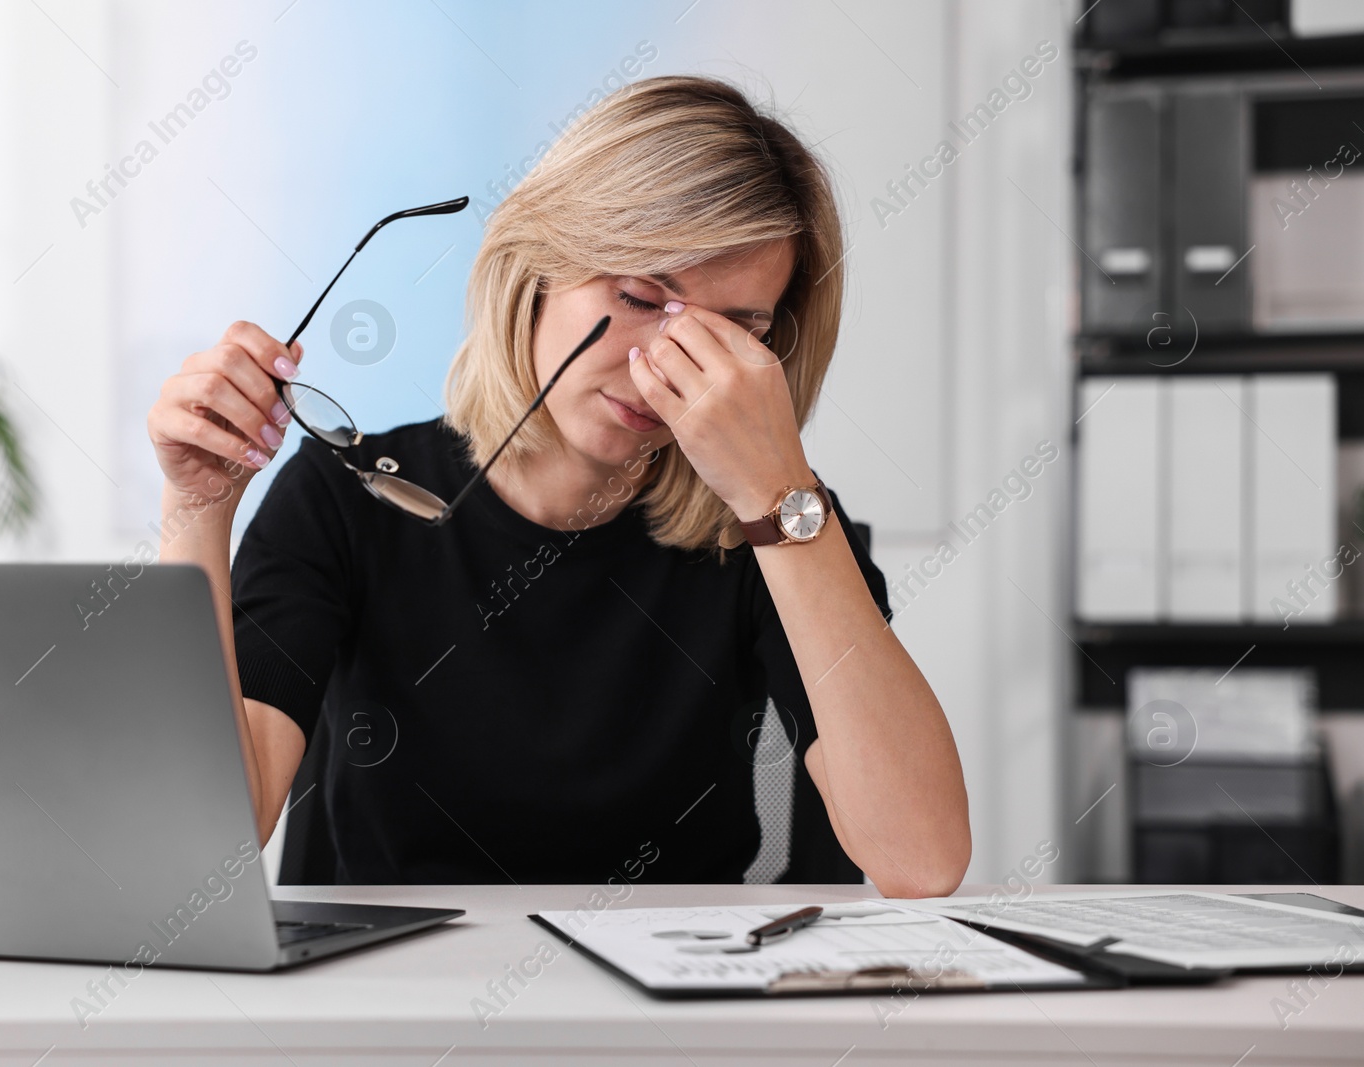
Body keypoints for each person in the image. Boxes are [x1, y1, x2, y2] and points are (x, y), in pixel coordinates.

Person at [147, 75, 969, 894]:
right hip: (395, 1002)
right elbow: (203, 849)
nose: (665, 370)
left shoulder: (778, 521)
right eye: (641, 296)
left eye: (735, 333)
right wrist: (197, 512)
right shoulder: (341, 499)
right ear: (536, 270)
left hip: (679, 1002)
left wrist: (781, 499)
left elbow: (921, 858)